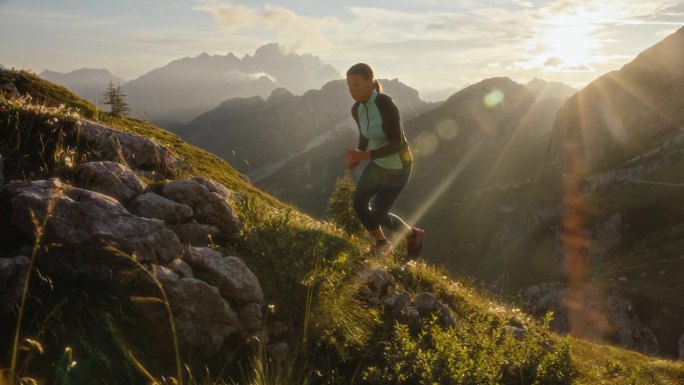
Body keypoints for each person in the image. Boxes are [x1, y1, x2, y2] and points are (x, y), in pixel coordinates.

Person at [345, 63, 424, 257]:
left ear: (371, 82)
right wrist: (358, 153)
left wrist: (365, 156)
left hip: (398, 167)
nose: (352, 91)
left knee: (379, 212)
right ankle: (382, 243)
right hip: (378, 164)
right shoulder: (357, 109)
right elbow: (365, 135)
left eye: (357, 85)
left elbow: (397, 143)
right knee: (359, 203)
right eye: (349, 86)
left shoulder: (385, 104)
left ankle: (413, 234)